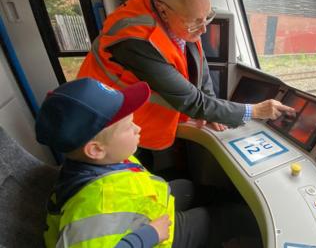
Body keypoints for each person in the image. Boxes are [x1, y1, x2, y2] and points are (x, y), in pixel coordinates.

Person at [76, 0, 295, 153]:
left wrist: (213, 109)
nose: (203, 30)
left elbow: (200, 64)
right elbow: (191, 102)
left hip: (139, 121)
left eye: (207, 18)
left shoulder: (184, 15)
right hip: (112, 128)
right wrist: (254, 110)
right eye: (195, 23)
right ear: (162, 10)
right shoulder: (135, 39)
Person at [36, 78, 209, 248]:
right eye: (127, 127)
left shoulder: (107, 158)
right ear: (96, 150)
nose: (137, 128)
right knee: (214, 219)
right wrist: (150, 235)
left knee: (188, 187)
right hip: (156, 238)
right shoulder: (98, 203)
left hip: (140, 211)